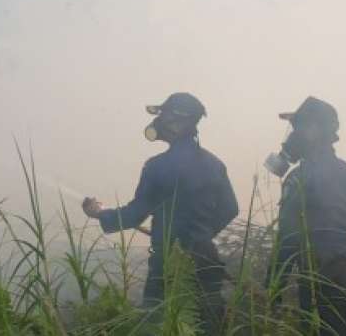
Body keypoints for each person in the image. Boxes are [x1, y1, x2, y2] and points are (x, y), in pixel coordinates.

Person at [82, 92, 239, 334]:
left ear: (180, 122)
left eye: (164, 116)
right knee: (209, 326)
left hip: (167, 263)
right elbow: (230, 209)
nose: (159, 122)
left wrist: (100, 213)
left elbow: (135, 215)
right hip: (207, 259)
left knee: (156, 324)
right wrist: (201, 234)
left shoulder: (158, 166)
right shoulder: (215, 164)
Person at [264, 96, 346, 336]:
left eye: (299, 127)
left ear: (315, 130)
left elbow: (287, 240)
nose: (293, 136)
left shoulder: (296, 179)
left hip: (318, 281)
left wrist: (272, 289)